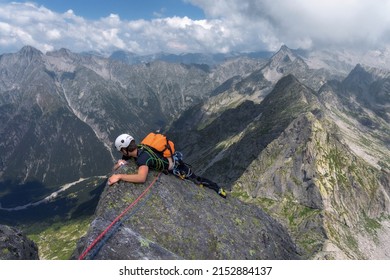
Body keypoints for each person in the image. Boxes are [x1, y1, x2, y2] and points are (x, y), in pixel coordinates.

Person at [108, 133, 227, 198]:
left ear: (124, 150)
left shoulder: (142, 159)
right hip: (171, 161)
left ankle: (217, 188)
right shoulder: (137, 149)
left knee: (196, 180)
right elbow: (115, 167)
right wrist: (118, 164)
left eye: (121, 151)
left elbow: (141, 178)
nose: (121, 153)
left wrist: (120, 176)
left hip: (176, 167)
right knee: (194, 178)